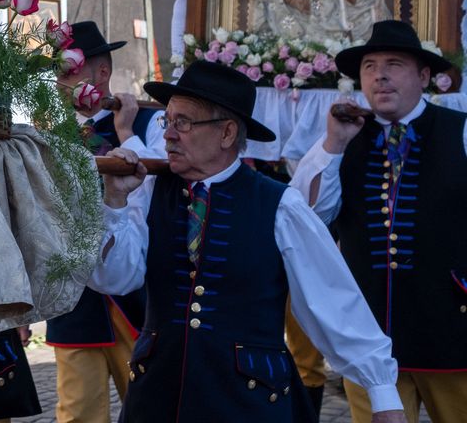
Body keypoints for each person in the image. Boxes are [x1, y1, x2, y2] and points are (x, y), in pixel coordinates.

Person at [91, 60, 404, 423]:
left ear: (226, 133)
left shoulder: (280, 205)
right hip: (158, 398)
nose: (169, 135)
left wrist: (382, 393)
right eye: (168, 120)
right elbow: (114, 279)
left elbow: (332, 300)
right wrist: (113, 202)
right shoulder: (146, 190)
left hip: (249, 402)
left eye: (184, 122)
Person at [291, 20, 467, 422]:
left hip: (451, 327)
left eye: (393, 64)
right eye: (369, 67)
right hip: (368, 337)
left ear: (423, 76)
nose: (379, 75)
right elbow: (307, 219)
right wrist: (334, 143)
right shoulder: (343, 138)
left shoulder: (460, 131)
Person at [45, 21, 163, 423]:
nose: (61, 83)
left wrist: (125, 132)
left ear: (102, 74)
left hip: (137, 298)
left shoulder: (149, 126)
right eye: (58, 74)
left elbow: (155, 198)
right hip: (75, 300)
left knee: (150, 405)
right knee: (78, 414)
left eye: (70, 71)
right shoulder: (50, 137)